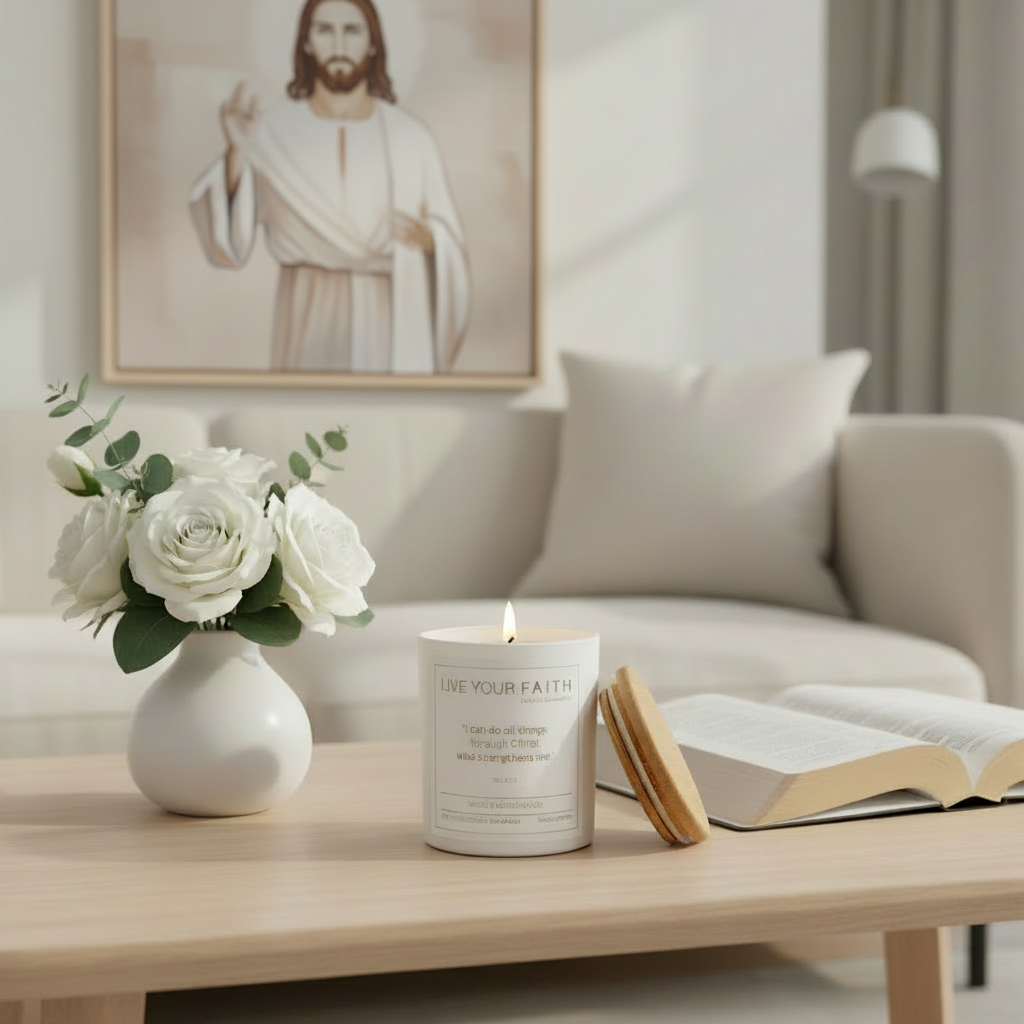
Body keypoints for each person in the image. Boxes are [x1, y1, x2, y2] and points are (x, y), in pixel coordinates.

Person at [189, 0, 471, 374]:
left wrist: (433, 242)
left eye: (352, 31)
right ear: (306, 42)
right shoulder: (268, 130)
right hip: (307, 310)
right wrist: (238, 154)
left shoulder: (412, 138)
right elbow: (228, 247)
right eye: (324, 30)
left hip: (387, 313)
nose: (339, 46)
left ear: (373, 44)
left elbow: (448, 239)